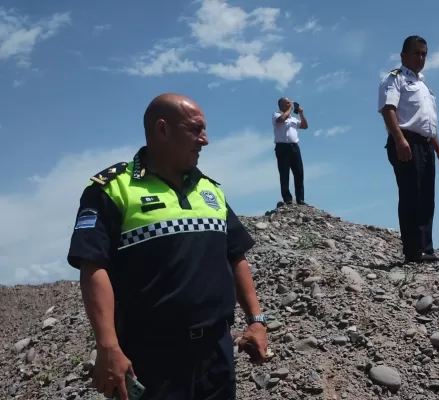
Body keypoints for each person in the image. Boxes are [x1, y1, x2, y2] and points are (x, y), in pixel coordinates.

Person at [66, 93, 269, 400]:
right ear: (162, 130)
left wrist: (256, 321)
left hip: (216, 352)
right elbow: (93, 265)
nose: (205, 140)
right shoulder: (113, 189)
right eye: (196, 129)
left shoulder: (209, 190)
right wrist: (108, 346)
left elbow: (235, 256)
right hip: (152, 357)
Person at [377, 35, 439, 263]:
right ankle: (412, 251)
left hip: (425, 144)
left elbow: (427, 122)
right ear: (403, 55)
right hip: (406, 142)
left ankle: (426, 247)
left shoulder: (424, 86)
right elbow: (388, 109)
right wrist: (399, 140)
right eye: (417, 53)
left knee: (427, 196)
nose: (421, 58)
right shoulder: (395, 79)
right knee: (411, 195)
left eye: (424, 54)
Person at [272, 97, 308, 205]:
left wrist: (301, 114)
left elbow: (305, 126)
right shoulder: (276, 115)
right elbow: (281, 120)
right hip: (282, 147)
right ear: (281, 105)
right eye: (287, 103)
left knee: (299, 173)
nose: (289, 104)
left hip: (294, 147)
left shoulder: (293, 119)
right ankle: (287, 199)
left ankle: (300, 199)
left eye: (289, 103)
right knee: (284, 173)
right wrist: (291, 109)